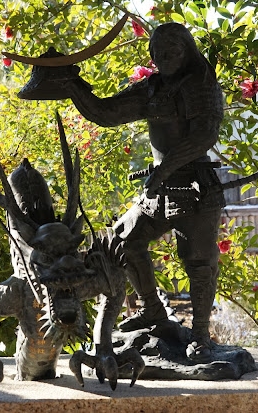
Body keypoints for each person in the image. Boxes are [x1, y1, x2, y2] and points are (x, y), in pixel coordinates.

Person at [60, 23, 225, 361]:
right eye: (158, 53)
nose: (164, 58)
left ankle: (200, 334)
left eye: (172, 52)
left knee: (200, 264)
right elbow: (105, 112)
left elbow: (203, 136)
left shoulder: (202, 85)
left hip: (196, 190)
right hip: (159, 191)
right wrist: (70, 83)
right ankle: (153, 310)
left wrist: (164, 169)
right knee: (123, 239)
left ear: (187, 51)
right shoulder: (152, 88)